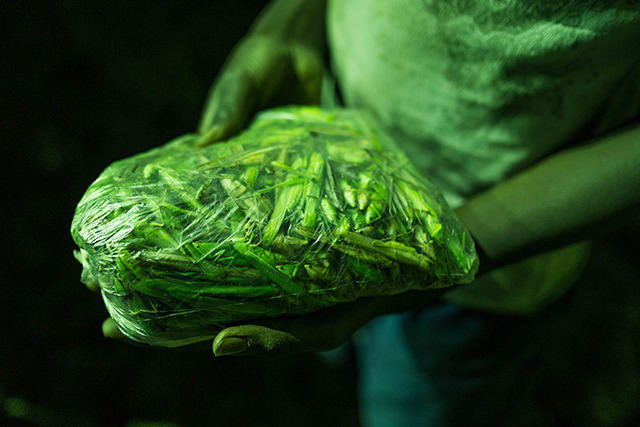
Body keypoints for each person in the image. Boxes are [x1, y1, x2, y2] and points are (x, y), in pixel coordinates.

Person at [103, 0, 640, 425]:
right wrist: (292, 21)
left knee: (423, 402)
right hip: (322, 156)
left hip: (500, 256)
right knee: (323, 326)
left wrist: (451, 246)